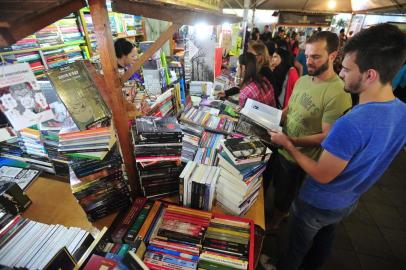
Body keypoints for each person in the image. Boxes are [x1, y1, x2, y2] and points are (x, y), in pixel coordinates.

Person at [269, 23, 406, 270]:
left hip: (319, 201)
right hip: (348, 200)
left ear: (370, 75)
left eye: (346, 68)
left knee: (294, 248)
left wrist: (289, 145)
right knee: (322, 244)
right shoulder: (402, 112)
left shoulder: (350, 123)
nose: (341, 74)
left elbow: (322, 173)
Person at [267, 31, 352, 231]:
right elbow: (291, 106)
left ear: (332, 55)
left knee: (284, 196)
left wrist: (291, 140)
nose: (309, 61)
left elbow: (326, 136)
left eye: (316, 57)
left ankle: (277, 222)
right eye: (307, 56)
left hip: (298, 158)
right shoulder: (304, 79)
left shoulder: (338, 93)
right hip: (281, 144)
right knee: (276, 187)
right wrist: (276, 117)